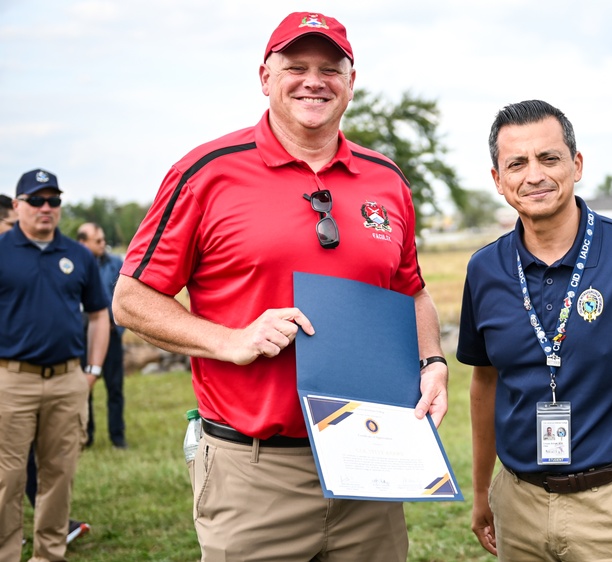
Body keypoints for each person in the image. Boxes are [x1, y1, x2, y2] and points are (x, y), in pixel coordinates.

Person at [112, 11, 448, 562]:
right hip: (255, 471)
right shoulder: (206, 172)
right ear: (265, 78)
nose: (313, 80)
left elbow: (411, 290)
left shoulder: (386, 178)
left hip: (372, 458)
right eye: (295, 66)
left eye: (330, 68)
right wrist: (229, 339)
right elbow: (131, 298)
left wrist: (431, 360)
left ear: (351, 82)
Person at [458, 100, 612, 562]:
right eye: (517, 163)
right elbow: (485, 384)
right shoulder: (484, 270)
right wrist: (481, 494)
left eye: (548, 158)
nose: (534, 175)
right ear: (498, 180)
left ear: (576, 165)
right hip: (519, 501)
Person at [0, 168, 108, 560]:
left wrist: (92, 372)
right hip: (11, 381)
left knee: (58, 475)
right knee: (8, 478)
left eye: (54, 201)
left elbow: (99, 314)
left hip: (67, 380)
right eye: (36, 200)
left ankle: (48, 554)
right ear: (17, 206)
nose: (46, 208)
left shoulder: (78, 255)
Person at [77, 222, 128, 449]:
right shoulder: (73, 265)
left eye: (103, 239)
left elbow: (127, 299)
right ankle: (86, 436)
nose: (103, 244)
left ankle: (118, 437)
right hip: (81, 339)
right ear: (83, 242)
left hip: (112, 337)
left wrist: (116, 327)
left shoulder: (116, 264)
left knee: (115, 388)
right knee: (83, 387)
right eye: (97, 241)